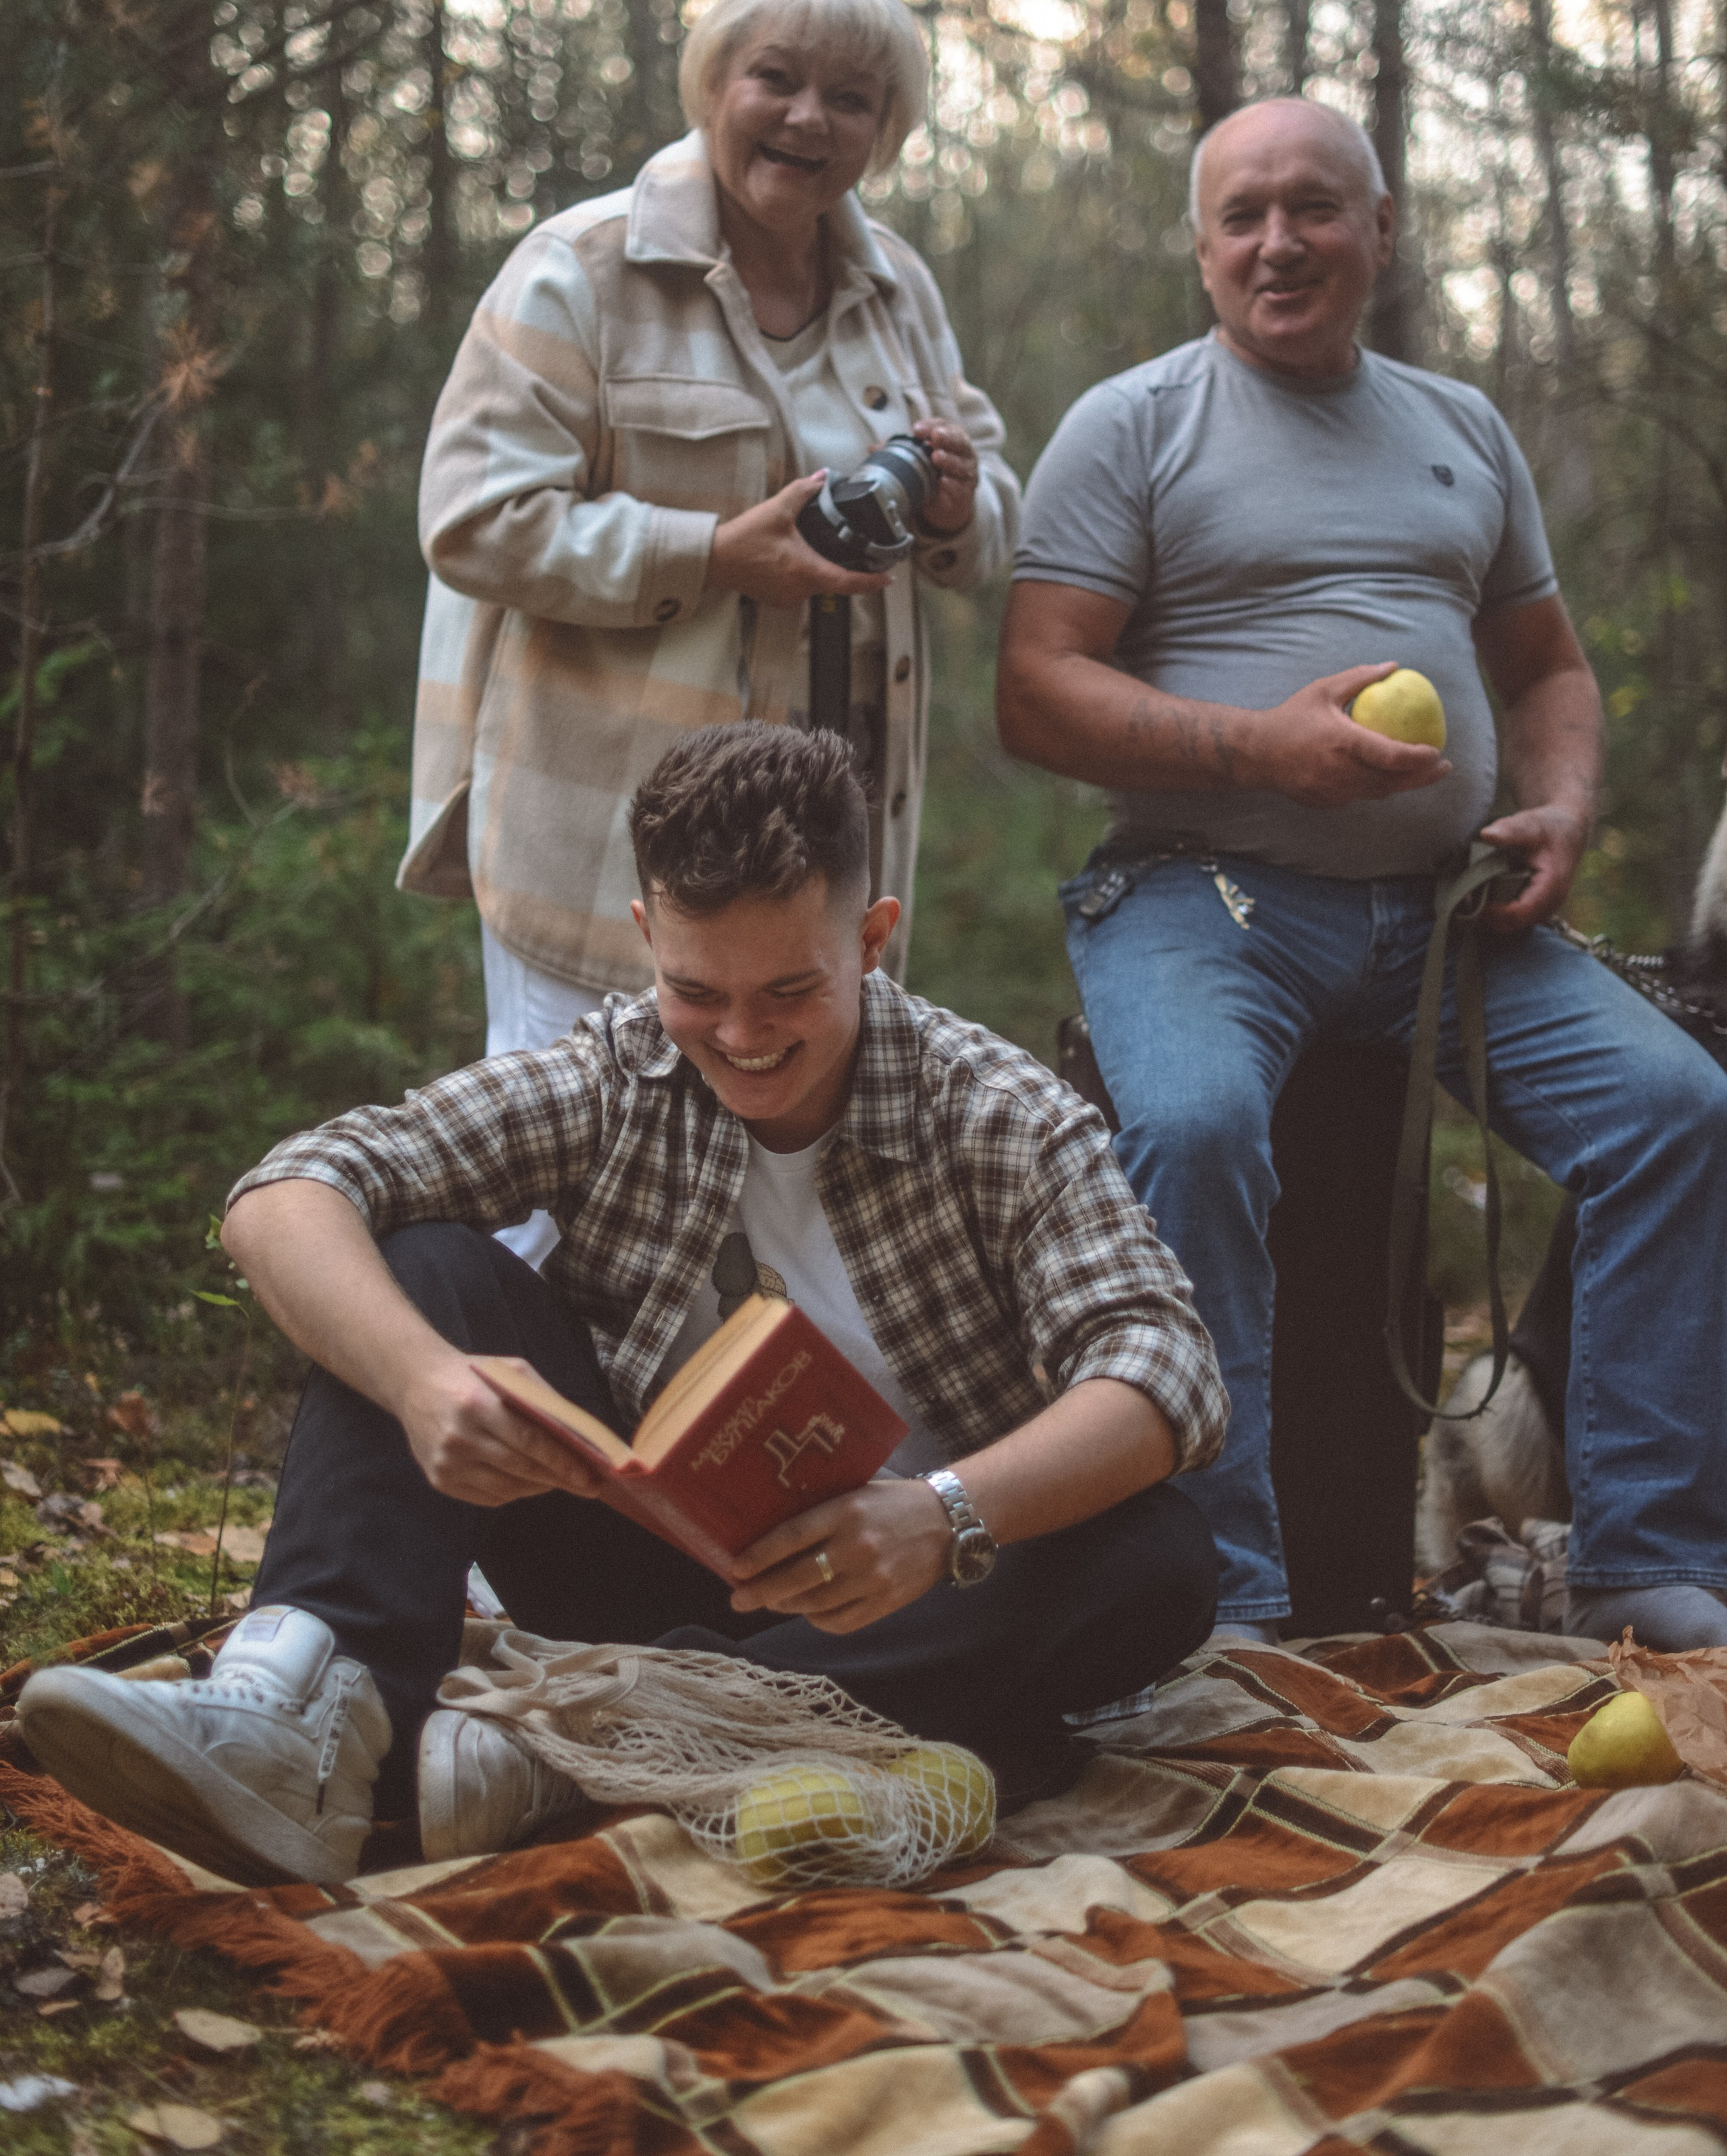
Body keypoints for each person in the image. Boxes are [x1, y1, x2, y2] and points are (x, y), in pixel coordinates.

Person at [19, 725, 1222, 1888]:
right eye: (698, 990)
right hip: (657, 1580)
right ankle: (302, 1713)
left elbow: (1165, 1366)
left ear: (872, 937)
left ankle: (590, 1746)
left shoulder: (1000, 1114)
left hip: (929, 1605)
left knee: (1160, 1558)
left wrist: (944, 1515)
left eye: (790, 989)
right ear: (647, 935)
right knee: (431, 1267)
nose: (742, 1039)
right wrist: (424, 1381)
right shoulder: (620, 1072)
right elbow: (287, 1190)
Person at [996, 94, 1727, 1655]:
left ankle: (1640, 1552)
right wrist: (1256, 750)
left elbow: (1544, 669)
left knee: (1676, 1110)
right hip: (1205, 901)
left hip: (1454, 917)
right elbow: (1035, 688)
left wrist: (1558, 806)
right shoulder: (1133, 424)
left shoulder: (1458, 425)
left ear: (1377, 232)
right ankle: (1230, 1600)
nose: (1279, 242)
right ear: (1199, 250)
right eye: (1242, 215)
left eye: (1314, 208)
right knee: (1190, 1129)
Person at [399, 0, 1019, 1259]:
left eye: (851, 99)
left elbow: (991, 508)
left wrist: (957, 507)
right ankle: (519, 1443)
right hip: (605, 834)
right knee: (563, 1180)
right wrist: (715, 554)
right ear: (714, 86)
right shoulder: (582, 265)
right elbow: (471, 518)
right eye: (776, 80)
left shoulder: (898, 288)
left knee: (789, 1191)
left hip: (823, 846)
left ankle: (734, 1455)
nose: (807, 120)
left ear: (886, 131)